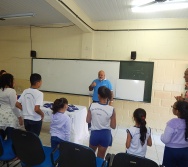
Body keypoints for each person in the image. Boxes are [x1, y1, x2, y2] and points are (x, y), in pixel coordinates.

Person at [86, 86, 116, 159]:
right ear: (107, 96)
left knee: (90, 156)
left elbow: (88, 120)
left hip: (95, 134)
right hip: (105, 135)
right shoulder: (111, 109)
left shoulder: (92, 105)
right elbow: (113, 126)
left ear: (98, 95)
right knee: (100, 158)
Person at [161, 101, 188, 167]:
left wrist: (161, 136)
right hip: (185, 150)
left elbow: (165, 140)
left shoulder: (173, 122)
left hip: (171, 151)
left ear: (177, 111)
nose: (172, 108)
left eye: (173, 107)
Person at [0, 73, 23, 140]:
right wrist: (19, 117)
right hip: (10, 117)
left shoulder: (0, 90)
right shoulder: (11, 91)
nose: (14, 82)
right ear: (9, 81)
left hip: (1, 115)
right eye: (13, 80)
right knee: (11, 138)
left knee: (1, 139)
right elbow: (14, 106)